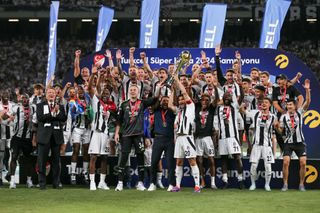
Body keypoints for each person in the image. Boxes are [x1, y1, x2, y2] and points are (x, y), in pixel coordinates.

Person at [114, 84, 160, 191]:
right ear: (129, 91)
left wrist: (158, 88)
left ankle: (140, 183)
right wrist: (116, 133)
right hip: (126, 135)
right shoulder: (123, 104)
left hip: (138, 134)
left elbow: (155, 98)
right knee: (123, 158)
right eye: (131, 90)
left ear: (138, 91)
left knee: (140, 158)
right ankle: (120, 183)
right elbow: (119, 121)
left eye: (135, 90)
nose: (133, 91)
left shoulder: (142, 103)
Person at [276, 79, 311, 192]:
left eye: (291, 104)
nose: (289, 106)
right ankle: (285, 184)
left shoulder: (300, 112)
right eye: (287, 105)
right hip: (289, 143)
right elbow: (282, 132)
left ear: (295, 106)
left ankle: (301, 184)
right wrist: (277, 128)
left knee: (303, 162)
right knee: (285, 162)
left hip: (300, 143)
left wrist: (307, 91)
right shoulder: (283, 117)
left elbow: (308, 101)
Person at [171, 74, 201, 193]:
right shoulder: (179, 113)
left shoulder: (191, 107)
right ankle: (178, 185)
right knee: (179, 161)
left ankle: (197, 186)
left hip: (188, 138)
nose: (182, 100)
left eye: (183, 99)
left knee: (192, 161)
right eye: (180, 100)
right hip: (179, 139)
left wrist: (177, 80)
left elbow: (184, 92)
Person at [88, 72, 117, 191]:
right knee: (94, 157)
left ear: (110, 95)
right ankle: (92, 182)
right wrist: (98, 76)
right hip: (96, 133)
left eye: (107, 93)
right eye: (103, 93)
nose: (105, 94)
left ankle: (102, 182)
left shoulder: (111, 106)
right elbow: (92, 88)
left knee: (104, 158)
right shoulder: (96, 102)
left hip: (105, 134)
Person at [242, 97, 278, 191]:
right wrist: (242, 103)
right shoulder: (255, 114)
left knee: (268, 166)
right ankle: (253, 184)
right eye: (262, 102)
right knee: (253, 165)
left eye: (266, 102)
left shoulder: (273, 117)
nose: (264, 104)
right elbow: (242, 110)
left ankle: (267, 185)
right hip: (256, 145)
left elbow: (277, 129)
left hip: (267, 145)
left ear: (270, 104)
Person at [36, 88, 67, 190]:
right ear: (46, 94)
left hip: (56, 137)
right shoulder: (40, 106)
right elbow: (40, 118)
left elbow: (63, 118)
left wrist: (57, 113)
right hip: (44, 136)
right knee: (42, 161)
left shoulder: (60, 106)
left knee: (56, 161)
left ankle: (56, 183)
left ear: (55, 95)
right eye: (49, 92)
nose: (51, 94)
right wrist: (53, 114)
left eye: (53, 93)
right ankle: (42, 183)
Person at [214, 92, 244, 189]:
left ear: (232, 98)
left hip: (232, 137)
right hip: (222, 137)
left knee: (237, 157)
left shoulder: (234, 107)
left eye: (229, 96)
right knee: (223, 159)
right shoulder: (219, 109)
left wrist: (240, 87)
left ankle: (240, 180)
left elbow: (241, 97)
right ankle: (225, 181)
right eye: (225, 96)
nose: (227, 97)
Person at [148, 95, 176, 192]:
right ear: (160, 102)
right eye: (163, 101)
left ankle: (172, 184)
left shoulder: (172, 112)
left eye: (167, 101)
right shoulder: (157, 110)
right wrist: (159, 91)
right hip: (158, 139)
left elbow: (174, 106)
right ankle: (152, 183)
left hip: (169, 140)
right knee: (154, 162)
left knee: (170, 163)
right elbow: (154, 101)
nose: (165, 103)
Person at [8, 94, 35, 189]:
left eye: (26, 98)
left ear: (29, 100)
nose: (24, 100)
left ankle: (29, 180)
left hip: (28, 138)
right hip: (16, 137)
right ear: (20, 99)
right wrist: (10, 118)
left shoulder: (33, 108)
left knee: (29, 159)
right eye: (23, 98)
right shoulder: (16, 108)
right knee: (14, 156)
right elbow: (8, 116)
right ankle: (12, 181)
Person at [194, 93, 217, 189]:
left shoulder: (211, 109)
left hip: (208, 138)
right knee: (199, 161)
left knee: (211, 160)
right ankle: (202, 181)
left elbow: (216, 99)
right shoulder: (197, 108)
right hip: (198, 137)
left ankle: (213, 182)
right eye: (203, 100)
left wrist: (215, 87)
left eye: (207, 100)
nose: (204, 102)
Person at [0, 91, 15, 187]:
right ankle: (0, 177)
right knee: (0, 156)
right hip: (0, 134)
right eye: (4, 96)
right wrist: (9, 118)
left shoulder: (13, 106)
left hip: (12, 134)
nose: (5, 97)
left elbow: (15, 118)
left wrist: (5, 117)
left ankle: (10, 176)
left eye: (7, 96)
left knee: (12, 156)